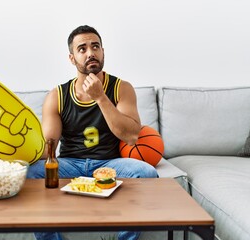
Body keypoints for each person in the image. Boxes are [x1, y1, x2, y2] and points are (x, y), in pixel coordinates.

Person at [27, 25, 158, 240]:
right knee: (31, 173)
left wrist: (100, 97)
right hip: (70, 163)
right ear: (72, 58)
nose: (90, 53)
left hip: (110, 163)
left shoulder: (121, 88)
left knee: (147, 174)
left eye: (95, 46)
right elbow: (47, 149)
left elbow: (131, 136)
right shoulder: (57, 95)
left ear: (103, 52)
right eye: (82, 49)